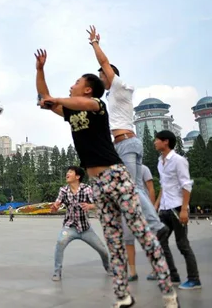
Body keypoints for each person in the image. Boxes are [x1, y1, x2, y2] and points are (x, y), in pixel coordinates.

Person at [36, 47, 178, 308]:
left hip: (115, 176)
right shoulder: (72, 111)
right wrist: (40, 70)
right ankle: (123, 296)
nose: (72, 86)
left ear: (88, 88)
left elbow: (68, 101)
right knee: (113, 241)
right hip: (98, 184)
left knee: (142, 234)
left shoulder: (97, 105)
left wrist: (54, 98)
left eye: (76, 83)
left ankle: (169, 293)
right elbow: (44, 97)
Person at [88, 25, 170, 282]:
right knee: (129, 187)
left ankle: (156, 227)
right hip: (123, 143)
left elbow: (104, 62)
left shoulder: (120, 86)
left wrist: (94, 44)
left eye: (103, 74)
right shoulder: (112, 95)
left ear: (111, 75)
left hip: (127, 143)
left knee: (132, 187)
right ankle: (152, 227)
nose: (101, 76)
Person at [154, 130, 202, 290]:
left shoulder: (179, 160)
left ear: (165, 141)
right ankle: (173, 275)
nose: (155, 142)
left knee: (182, 244)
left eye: (157, 140)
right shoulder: (160, 162)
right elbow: (163, 185)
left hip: (176, 208)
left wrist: (184, 209)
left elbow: (186, 185)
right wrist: (156, 204)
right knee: (160, 242)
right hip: (165, 209)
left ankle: (194, 279)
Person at [50, 166, 110, 281]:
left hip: (85, 229)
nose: (67, 174)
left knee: (102, 249)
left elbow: (98, 203)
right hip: (69, 227)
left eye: (70, 172)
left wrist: (90, 206)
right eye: (67, 172)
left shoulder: (86, 189)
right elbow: (57, 203)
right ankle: (57, 272)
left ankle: (108, 267)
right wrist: (55, 207)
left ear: (77, 177)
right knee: (60, 243)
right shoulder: (63, 190)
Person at [125, 165, 159, 280]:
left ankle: (155, 269)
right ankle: (133, 272)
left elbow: (151, 188)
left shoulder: (144, 169)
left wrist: (152, 207)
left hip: (143, 209)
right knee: (128, 241)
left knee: (149, 239)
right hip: (127, 209)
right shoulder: (122, 170)